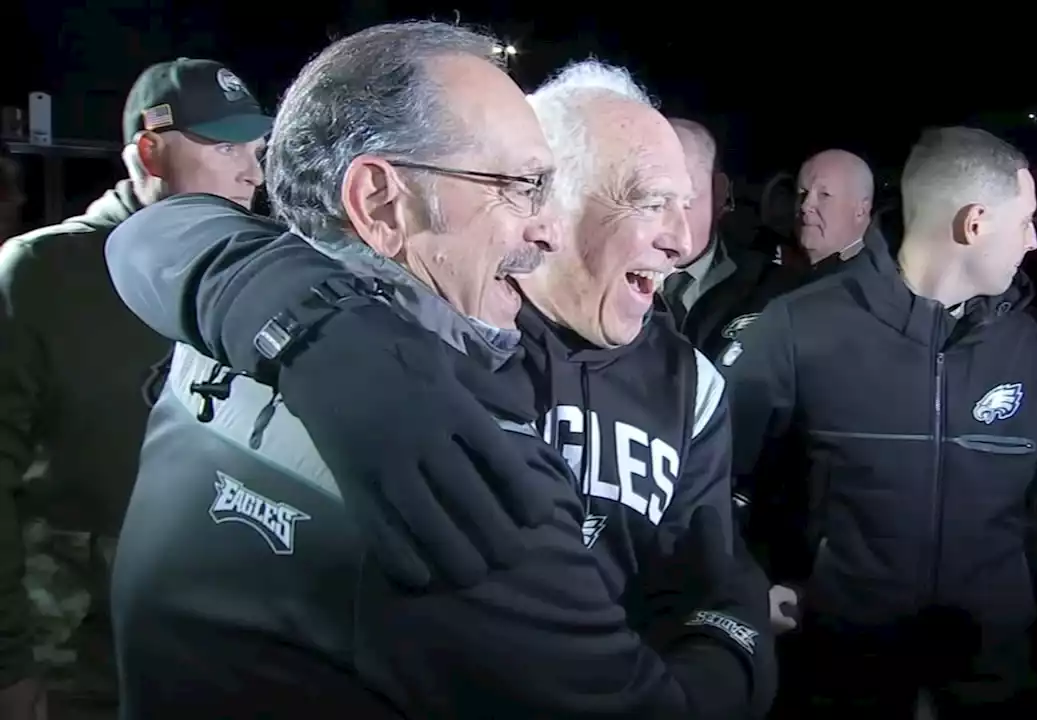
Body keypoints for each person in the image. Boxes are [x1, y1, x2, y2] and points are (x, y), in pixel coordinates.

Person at [105, 22, 772, 719]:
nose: (542, 227)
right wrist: (739, 645)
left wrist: (307, 326)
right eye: (522, 185)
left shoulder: (219, 342)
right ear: (380, 202)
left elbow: (165, 234)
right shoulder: (467, 480)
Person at [724, 127, 1037, 719]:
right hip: (844, 676)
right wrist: (749, 587)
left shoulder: (1024, 346)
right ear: (975, 224)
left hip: (991, 683)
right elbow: (713, 480)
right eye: (1027, 220)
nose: (1035, 243)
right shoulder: (801, 328)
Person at [0, 58, 269, 720]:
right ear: (149, 151)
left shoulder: (260, 274)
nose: (252, 172)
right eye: (225, 145)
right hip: (78, 650)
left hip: (218, 641)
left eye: (257, 149)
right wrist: (9, 663)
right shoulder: (42, 275)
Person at [517, 62, 741, 610]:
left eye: (684, 206)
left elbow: (708, 589)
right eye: (649, 202)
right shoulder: (441, 336)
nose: (681, 241)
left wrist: (711, 671)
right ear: (547, 200)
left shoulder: (694, 387)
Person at [662, 118, 804, 360]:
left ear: (719, 191)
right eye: (648, 198)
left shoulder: (773, 291)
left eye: (686, 198)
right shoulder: (605, 283)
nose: (664, 218)